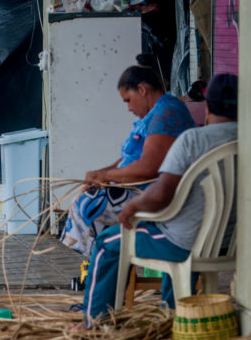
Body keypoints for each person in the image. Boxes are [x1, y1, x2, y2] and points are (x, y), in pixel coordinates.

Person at [81, 73, 239, 326]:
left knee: (106, 242)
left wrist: (133, 206)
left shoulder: (193, 139)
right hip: (231, 243)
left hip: (184, 244)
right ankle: (173, 317)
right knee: (181, 226)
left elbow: (161, 195)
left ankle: (93, 323)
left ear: (208, 107)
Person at [60, 59, 195, 264]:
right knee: (87, 195)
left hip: (156, 194)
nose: (129, 108)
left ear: (142, 90)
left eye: (128, 100)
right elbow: (128, 158)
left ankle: (99, 263)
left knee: (88, 203)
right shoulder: (152, 115)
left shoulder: (167, 112)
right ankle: (99, 263)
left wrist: (105, 176)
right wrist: (100, 175)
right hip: (139, 187)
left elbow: (149, 167)